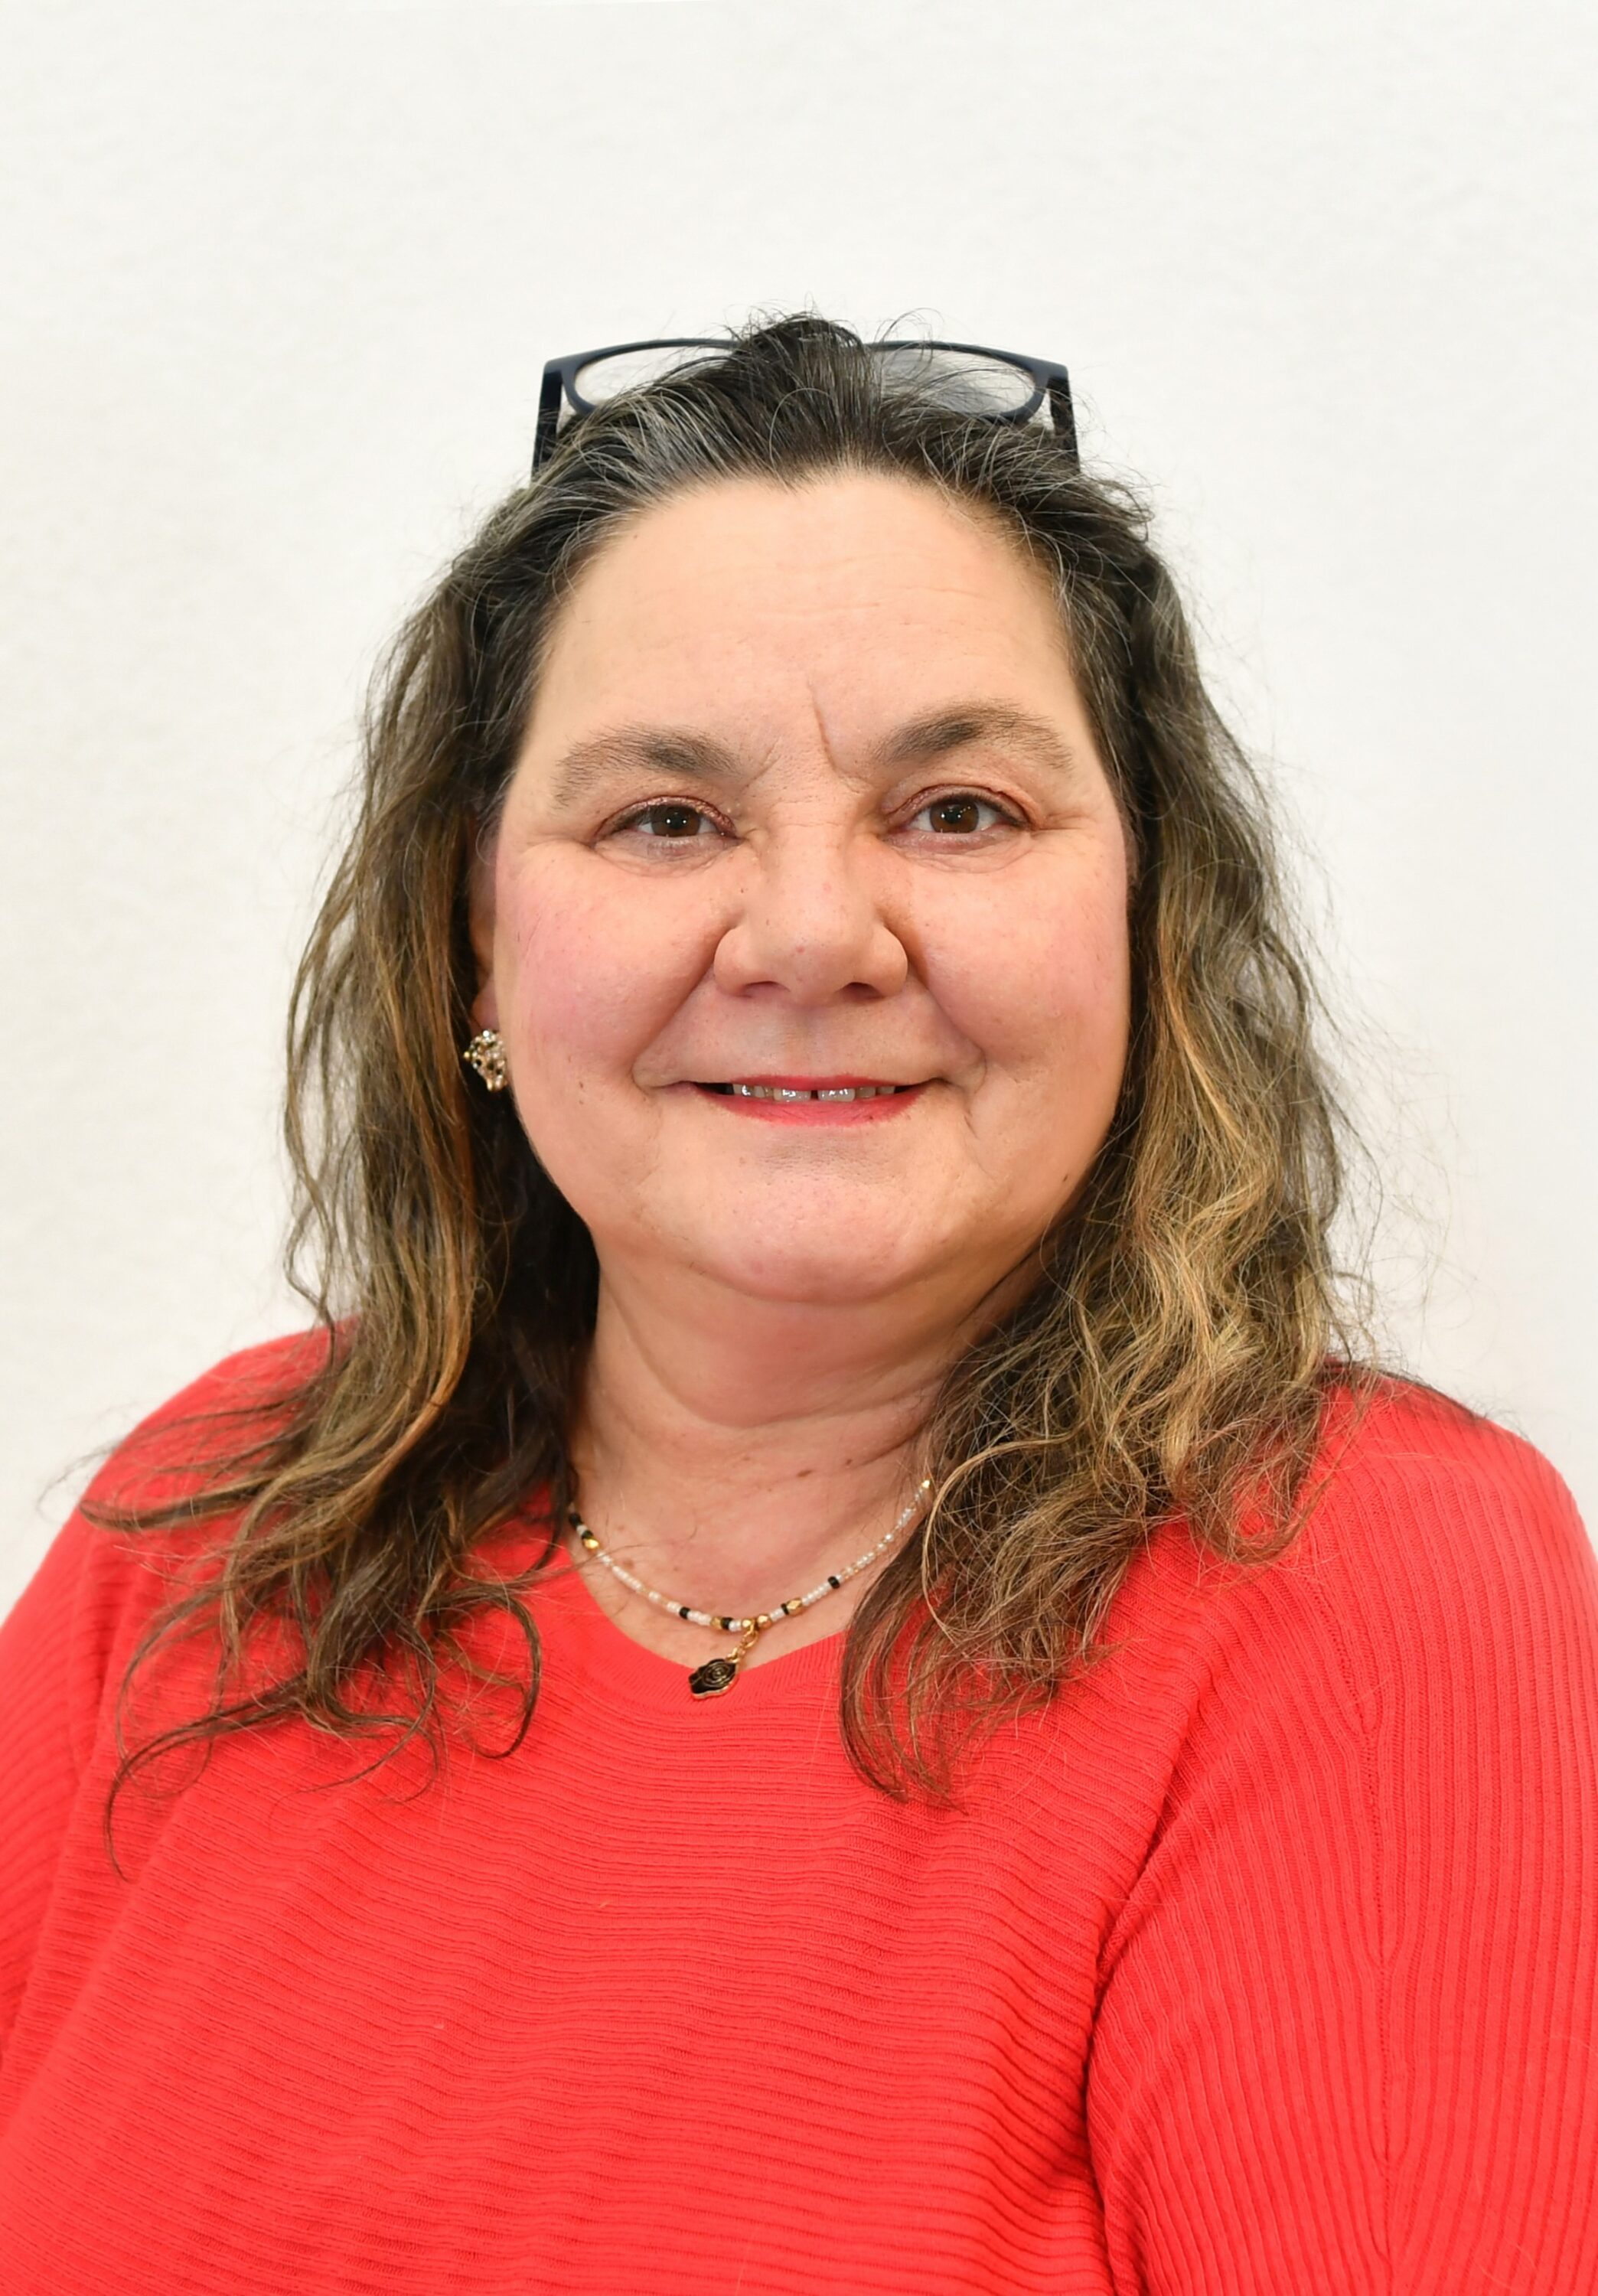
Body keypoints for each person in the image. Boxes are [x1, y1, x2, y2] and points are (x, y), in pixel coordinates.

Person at [1, 317, 1594, 2295]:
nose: (816, 935)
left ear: (1143, 919)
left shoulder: (1359, 1578)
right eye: (666, 817)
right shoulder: (218, 1519)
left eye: (961, 811)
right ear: (479, 942)